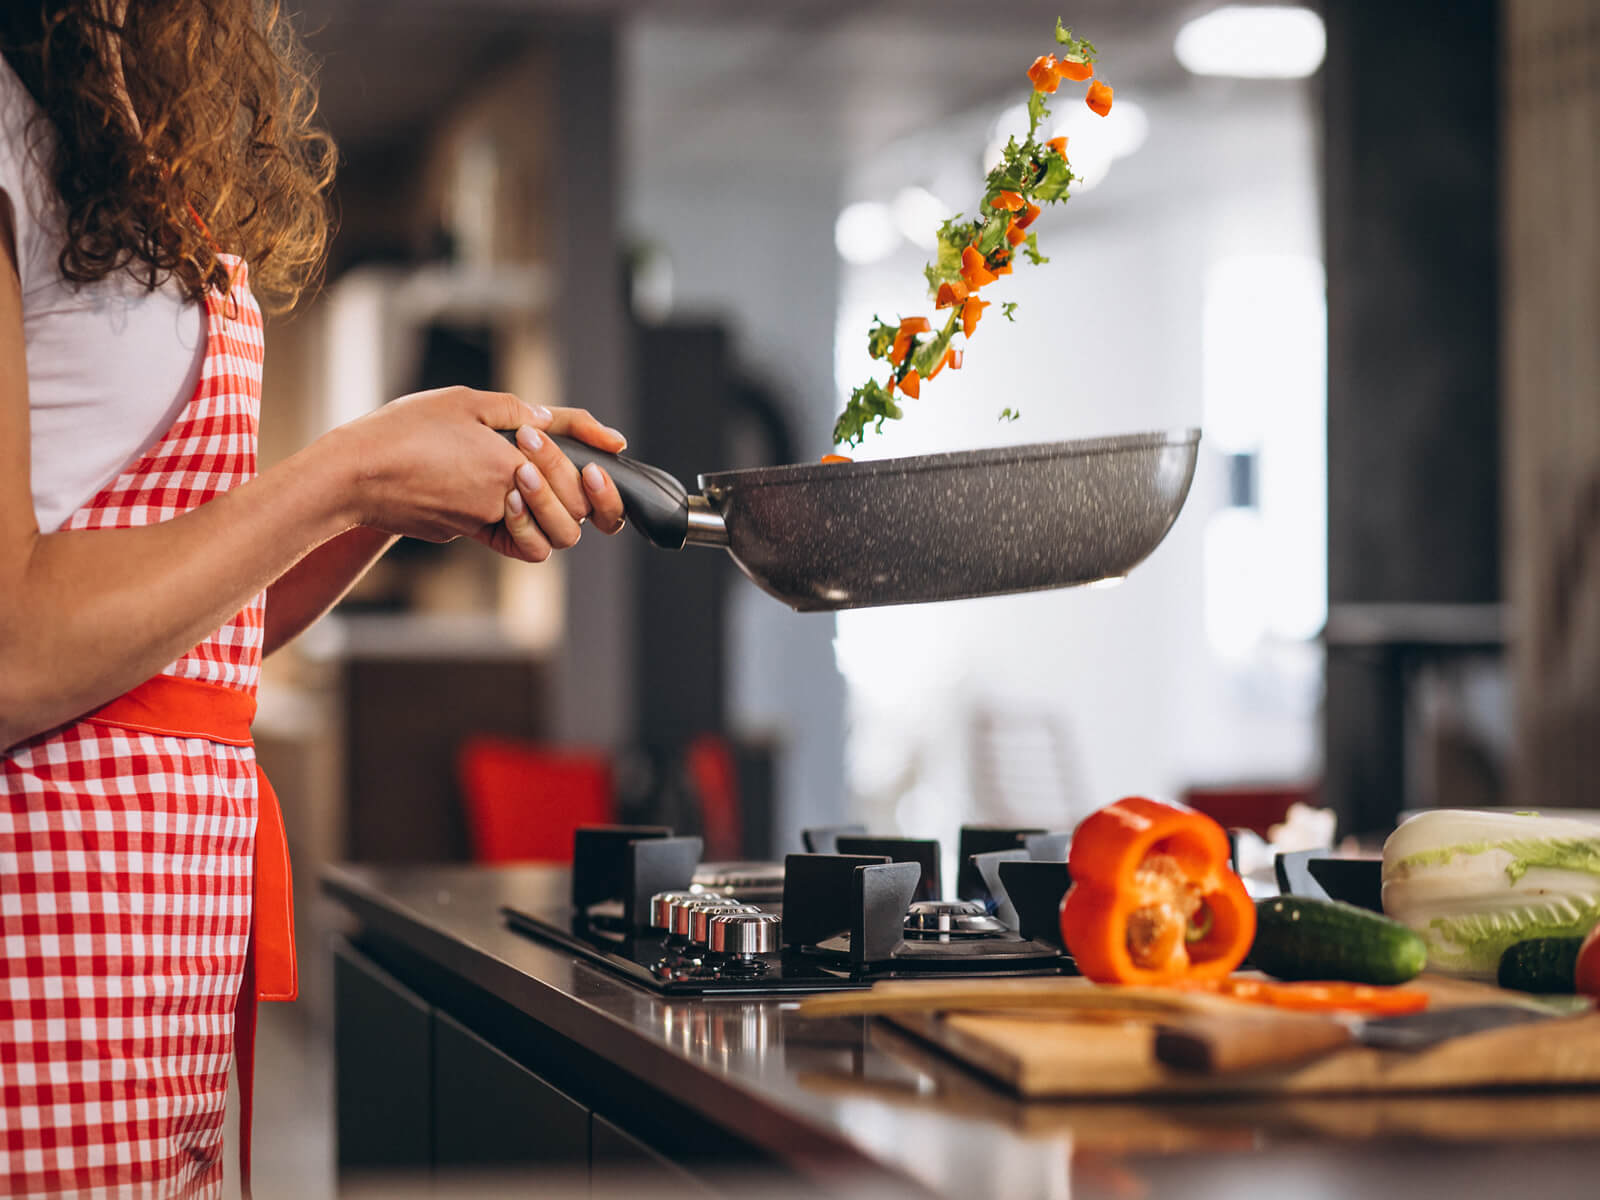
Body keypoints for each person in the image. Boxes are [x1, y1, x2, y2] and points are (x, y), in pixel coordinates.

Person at [0, 2, 628, 1194]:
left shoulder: (104, 130)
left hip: (155, 958)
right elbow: (15, 653)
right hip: (38, 930)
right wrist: (349, 469)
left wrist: (387, 498)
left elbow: (198, 642)